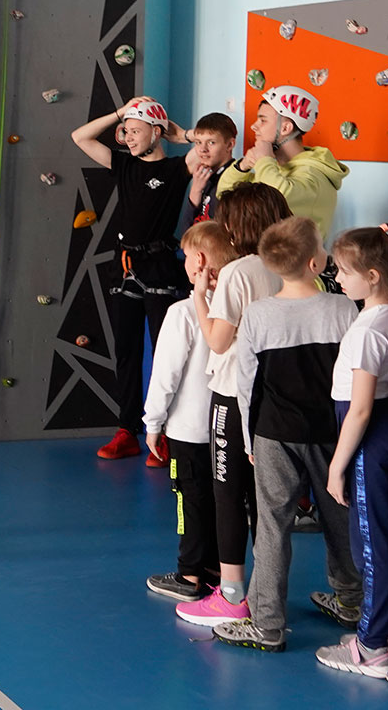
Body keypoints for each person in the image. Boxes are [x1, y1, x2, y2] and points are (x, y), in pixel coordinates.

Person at [213, 216, 362, 652]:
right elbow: (355, 376)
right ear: (316, 263)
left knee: (272, 527)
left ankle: (267, 624)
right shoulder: (343, 308)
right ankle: (351, 601)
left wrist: (248, 440)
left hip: (273, 434)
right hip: (331, 433)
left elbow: (247, 385)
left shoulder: (258, 315)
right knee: (339, 519)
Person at [176, 182, 290, 628]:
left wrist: (199, 294)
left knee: (228, 493)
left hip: (232, 393)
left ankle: (231, 594)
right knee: (266, 500)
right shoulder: (289, 266)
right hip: (275, 395)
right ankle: (266, 594)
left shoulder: (240, 271)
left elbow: (218, 341)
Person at [71, 96, 193, 463]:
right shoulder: (123, 164)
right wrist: (120, 113)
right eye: (126, 131)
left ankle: (165, 433)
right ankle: (127, 430)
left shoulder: (176, 168)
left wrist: (183, 135)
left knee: (166, 352)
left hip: (160, 267)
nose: (128, 137)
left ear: (157, 132)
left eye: (136, 131)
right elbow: (80, 137)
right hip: (124, 267)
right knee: (126, 350)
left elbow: (210, 145)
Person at [317, 222, 388, 680]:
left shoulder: (369, 330)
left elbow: (359, 409)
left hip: (369, 437)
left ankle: (371, 647)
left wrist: (336, 467)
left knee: (371, 543)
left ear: (372, 276)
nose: (337, 278)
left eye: (344, 271)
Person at [144, 220, 239, 602]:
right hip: (227, 429)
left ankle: (189, 575)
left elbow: (165, 375)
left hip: (188, 430)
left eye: (186, 256)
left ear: (199, 260)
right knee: (223, 501)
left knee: (190, 501)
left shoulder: (182, 313)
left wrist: (153, 422)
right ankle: (216, 568)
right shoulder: (239, 310)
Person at [217, 86, 348, 241]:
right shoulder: (271, 169)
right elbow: (224, 195)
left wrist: (264, 160)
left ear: (285, 128)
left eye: (263, 120)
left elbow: (277, 197)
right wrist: (242, 167)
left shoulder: (314, 175)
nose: (254, 126)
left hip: (296, 256)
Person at [185, 112, 239, 223]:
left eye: (211, 142)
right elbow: (188, 230)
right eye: (198, 142)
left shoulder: (234, 180)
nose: (202, 149)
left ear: (230, 145)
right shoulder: (204, 178)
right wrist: (195, 191)